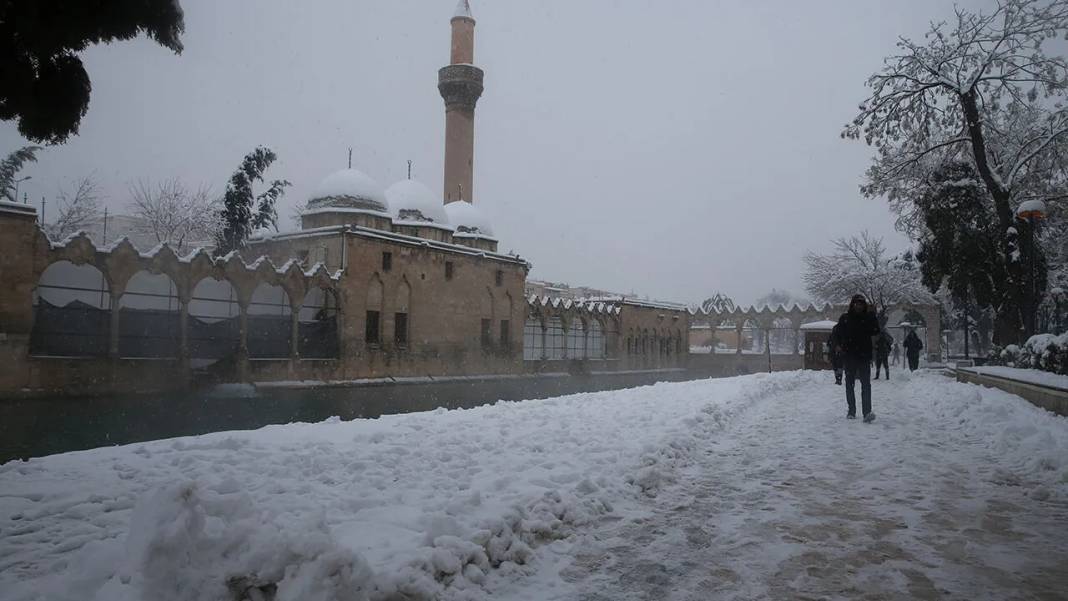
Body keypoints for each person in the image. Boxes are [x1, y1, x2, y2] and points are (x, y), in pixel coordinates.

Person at [836, 294, 880, 422]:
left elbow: (876, 331)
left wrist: (873, 316)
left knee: (866, 384)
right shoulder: (845, 319)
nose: (858, 306)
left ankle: (867, 412)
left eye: (861, 304)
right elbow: (837, 333)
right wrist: (838, 345)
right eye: (856, 303)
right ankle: (851, 411)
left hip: (864, 356)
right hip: (849, 356)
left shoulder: (868, 318)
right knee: (849, 384)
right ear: (852, 305)